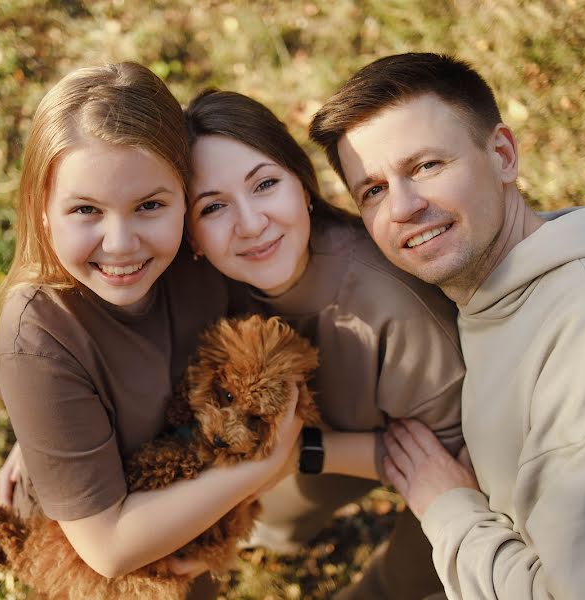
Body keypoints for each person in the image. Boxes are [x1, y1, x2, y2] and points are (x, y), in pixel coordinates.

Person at [309, 52, 585, 599]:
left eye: (426, 166)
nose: (402, 207)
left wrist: (448, 507)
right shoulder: (499, 289)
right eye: (372, 190)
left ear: (502, 155)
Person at [0, 62, 304, 597]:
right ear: (42, 211)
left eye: (150, 206)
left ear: (186, 196)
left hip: (188, 498)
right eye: (86, 209)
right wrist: (261, 468)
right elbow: (108, 548)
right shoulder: (39, 339)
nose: (120, 243)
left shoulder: (200, 255)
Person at [183, 89, 465, 599]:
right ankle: (279, 534)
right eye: (213, 207)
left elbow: (452, 462)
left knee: (397, 586)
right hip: (320, 440)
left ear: (303, 184)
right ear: (190, 237)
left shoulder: (395, 308)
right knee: (272, 518)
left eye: (265, 184)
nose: (251, 224)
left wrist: (303, 452)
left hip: (439, 464)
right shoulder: (191, 275)